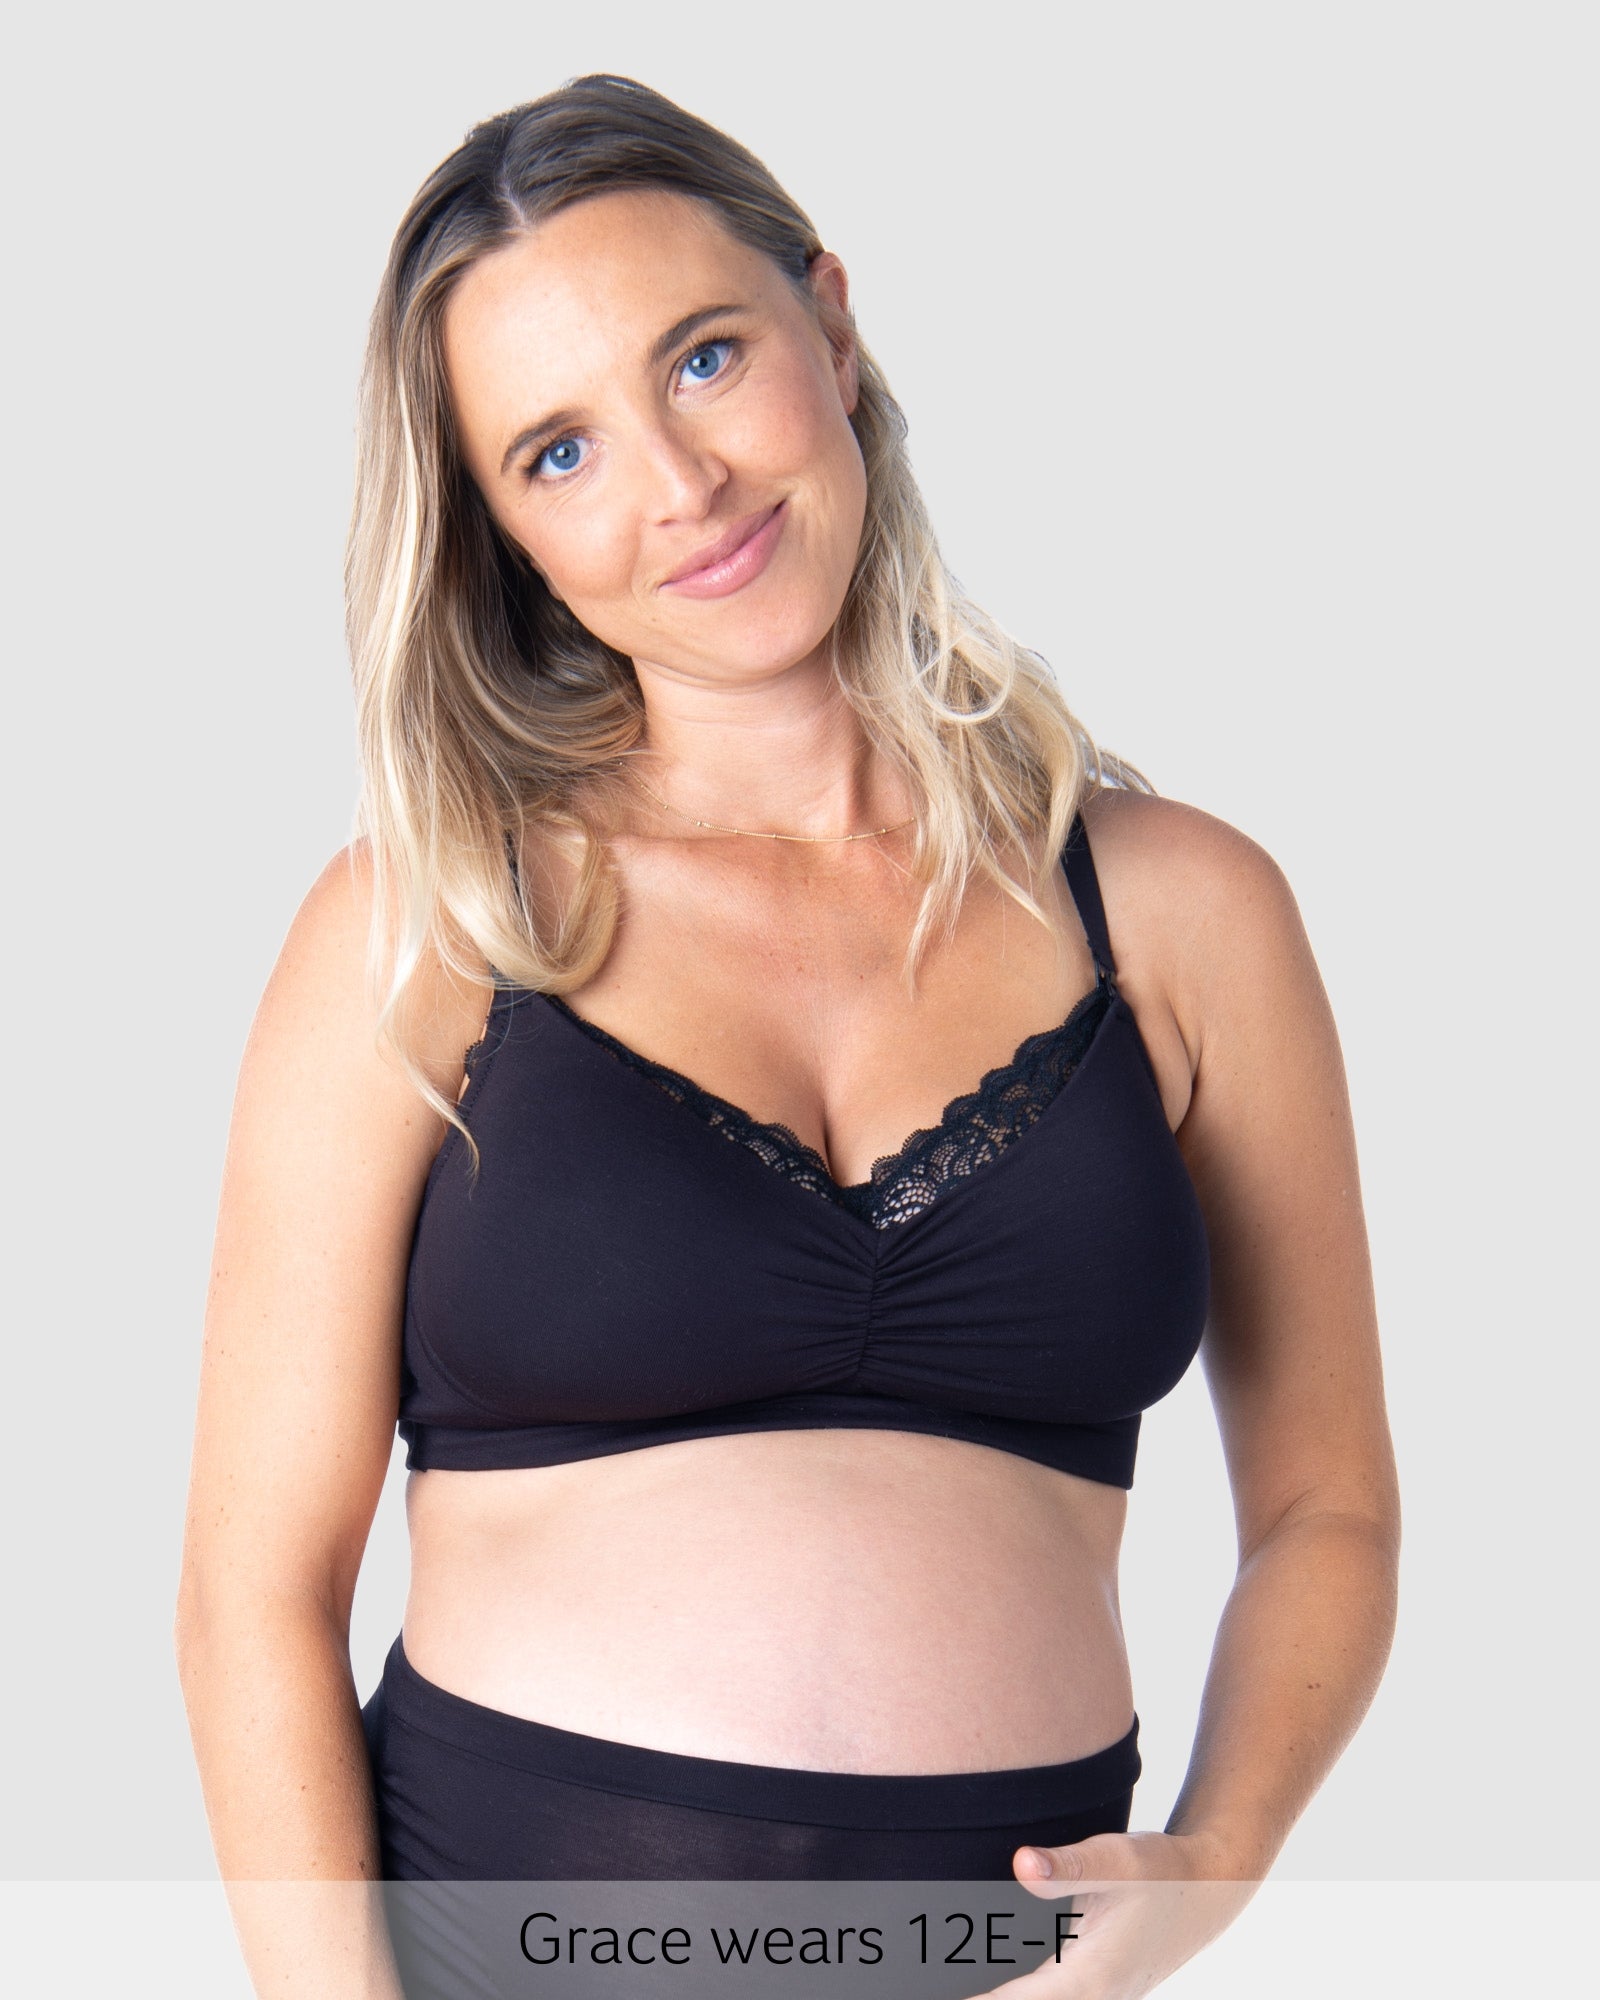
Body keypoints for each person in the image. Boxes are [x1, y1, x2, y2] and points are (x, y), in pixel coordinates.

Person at [175, 72, 1400, 2000]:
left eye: (706, 358)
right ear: (506, 537)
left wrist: (1215, 1864)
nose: (680, 485)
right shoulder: (430, 926)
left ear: (832, 324)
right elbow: (254, 1593)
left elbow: (1329, 1508)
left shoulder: (1186, 913)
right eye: (558, 452)